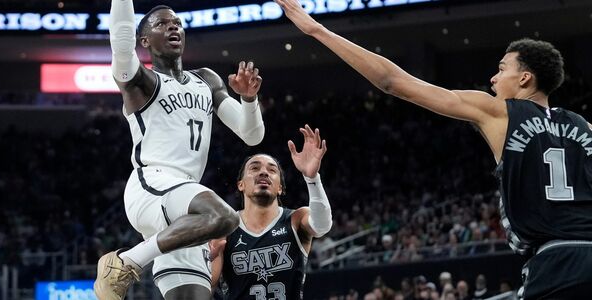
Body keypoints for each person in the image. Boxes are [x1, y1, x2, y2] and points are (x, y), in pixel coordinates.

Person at [274, 0, 592, 298]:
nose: (493, 78)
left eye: (502, 69)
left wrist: (317, 29)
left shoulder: (499, 111)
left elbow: (392, 81)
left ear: (525, 78)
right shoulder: (585, 127)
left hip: (554, 262)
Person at [95, 2, 266, 300]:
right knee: (225, 217)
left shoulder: (207, 80)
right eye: (161, 24)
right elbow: (121, 42)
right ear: (144, 41)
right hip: (153, 185)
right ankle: (125, 262)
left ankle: (133, 259)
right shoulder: (142, 82)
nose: (173, 26)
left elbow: (251, 135)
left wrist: (249, 101)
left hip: (186, 208)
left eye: (176, 22)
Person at [209, 125, 333, 299]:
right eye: (254, 168)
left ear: (280, 188)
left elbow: (322, 226)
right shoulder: (224, 228)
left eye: (272, 170)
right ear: (241, 184)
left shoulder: (296, 219)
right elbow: (208, 289)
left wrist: (312, 178)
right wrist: (204, 265)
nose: (264, 172)